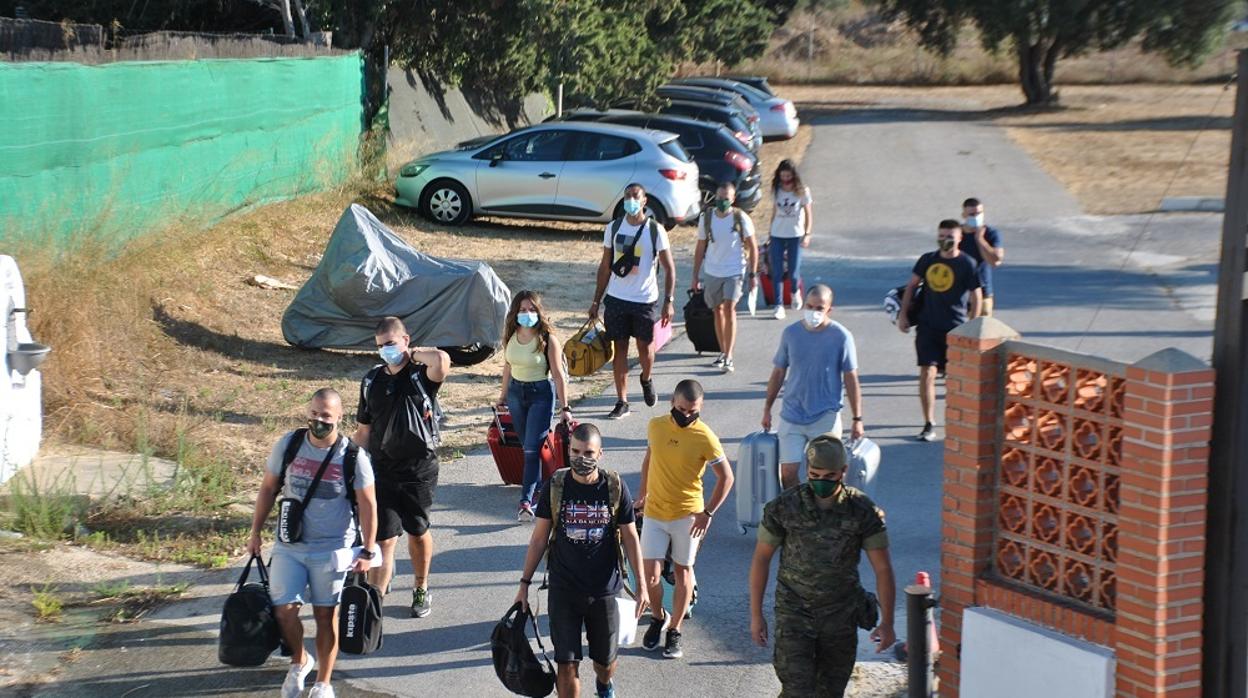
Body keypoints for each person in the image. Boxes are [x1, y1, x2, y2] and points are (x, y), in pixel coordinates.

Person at [246, 388, 378, 698]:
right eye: (314, 415)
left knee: (325, 616)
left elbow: (369, 504)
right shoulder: (290, 444)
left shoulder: (353, 457)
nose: (319, 421)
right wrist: (255, 532)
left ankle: (323, 682)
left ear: (339, 418)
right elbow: (268, 489)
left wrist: (369, 550)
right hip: (290, 547)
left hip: (331, 551)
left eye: (326, 417)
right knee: (284, 611)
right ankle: (299, 660)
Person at [748, 434, 896, 698]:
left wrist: (888, 623)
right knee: (797, 689)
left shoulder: (862, 511)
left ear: (843, 472)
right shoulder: (785, 507)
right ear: (807, 470)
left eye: (829, 476)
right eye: (814, 474)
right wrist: (756, 615)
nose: (821, 482)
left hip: (840, 614)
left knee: (830, 691)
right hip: (795, 612)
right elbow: (761, 558)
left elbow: (883, 569)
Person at [514, 423, 649, 698]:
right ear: (568, 450)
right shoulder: (556, 486)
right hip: (564, 590)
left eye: (588, 452)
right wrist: (524, 584)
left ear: (600, 454)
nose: (581, 458)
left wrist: (642, 585)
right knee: (566, 665)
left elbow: (631, 538)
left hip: (605, 590)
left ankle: (604, 684)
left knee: (605, 663)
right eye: (575, 451)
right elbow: (539, 538)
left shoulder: (614, 486)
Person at [352, 316, 450, 617]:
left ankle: (421, 587)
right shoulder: (371, 381)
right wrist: (350, 464)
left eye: (390, 344)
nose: (385, 351)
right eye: (380, 346)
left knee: (417, 531)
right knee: (383, 538)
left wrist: (413, 354)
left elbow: (443, 361)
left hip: (419, 470)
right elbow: (364, 430)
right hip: (382, 470)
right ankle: (374, 605)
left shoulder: (421, 376)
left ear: (406, 340)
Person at [635, 379, 734, 659]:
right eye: (682, 409)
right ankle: (658, 617)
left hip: (688, 517)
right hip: (655, 513)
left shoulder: (705, 437)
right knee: (651, 576)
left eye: (693, 411)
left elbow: (727, 477)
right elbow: (649, 459)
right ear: (672, 403)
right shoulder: (655, 426)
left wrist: (708, 513)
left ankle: (675, 629)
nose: (687, 416)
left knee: (682, 573)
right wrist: (642, 494)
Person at [762, 285, 864, 490]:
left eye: (819, 308)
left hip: (825, 416)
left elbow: (851, 378)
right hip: (792, 415)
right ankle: (799, 515)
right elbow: (778, 372)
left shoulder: (841, 337)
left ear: (829, 309)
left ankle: (822, 518)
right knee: (787, 475)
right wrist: (767, 409)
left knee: (823, 476)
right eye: (809, 306)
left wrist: (857, 419)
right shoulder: (791, 334)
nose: (813, 312)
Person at [589, 183, 677, 420]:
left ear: (644, 201)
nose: (630, 201)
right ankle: (622, 400)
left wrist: (669, 300)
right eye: (627, 196)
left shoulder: (655, 230)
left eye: (635, 197)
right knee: (620, 350)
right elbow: (605, 266)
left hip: (644, 300)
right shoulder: (614, 227)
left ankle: (646, 379)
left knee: (645, 349)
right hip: (617, 299)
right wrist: (596, 301)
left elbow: (670, 269)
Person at [897, 220, 982, 442]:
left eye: (950, 236)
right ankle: (928, 423)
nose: (945, 240)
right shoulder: (928, 260)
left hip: (956, 329)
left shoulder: (967, 263)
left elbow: (976, 295)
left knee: (955, 380)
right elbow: (912, 286)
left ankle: (957, 422)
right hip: (928, 326)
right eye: (942, 236)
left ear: (960, 238)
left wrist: (973, 325)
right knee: (927, 372)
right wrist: (903, 315)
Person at [497, 290, 573, 523]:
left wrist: (565, 407)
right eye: (522, 310)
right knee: (526, 446)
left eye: (531, 309)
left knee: (531, 449)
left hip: (541, 394)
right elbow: (508, 366)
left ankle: (525, 502)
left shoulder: (547, 339)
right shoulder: (511, 333)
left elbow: (558, 375)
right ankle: (539, 486)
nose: (527, 314)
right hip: (516, 395)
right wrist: (502, 396)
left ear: (539, 312)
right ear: (515, 312)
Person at [691, 181, 759, 373]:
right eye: (719, 198)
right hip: (713, 270)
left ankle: (729, 355)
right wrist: (695, 275)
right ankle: (722, 352)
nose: (722, 202)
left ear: (733, 199)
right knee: (717, 310)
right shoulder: (707, 218)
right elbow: (700, 247)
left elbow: (753, 247)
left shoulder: (741, 218)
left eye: (726, 199)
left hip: (735, 271)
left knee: (729, 308)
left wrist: (753, 274)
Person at [767, 159, 813, 320]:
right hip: (777, 234)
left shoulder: (802, 191)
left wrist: (807, 233)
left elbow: (808, 213)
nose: (786, 179)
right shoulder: (776, 190)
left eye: (789, 176)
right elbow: (774, 212)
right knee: (777, 271)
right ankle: (778, 305)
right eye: (783, 176)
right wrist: (769, 233)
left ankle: (795, 291)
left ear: (794, 176)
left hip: (795, 235)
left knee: (793, 272)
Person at [958, 197, 1004, 317]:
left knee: (981, 332)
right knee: (958, 333)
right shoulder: (956, 234)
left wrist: (980, 239)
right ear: (964, 215)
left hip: (983, 292)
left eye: (979, 213)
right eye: (972, 214)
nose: (976, 217)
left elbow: (995, 261)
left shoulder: (990, 233)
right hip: (958, 293)